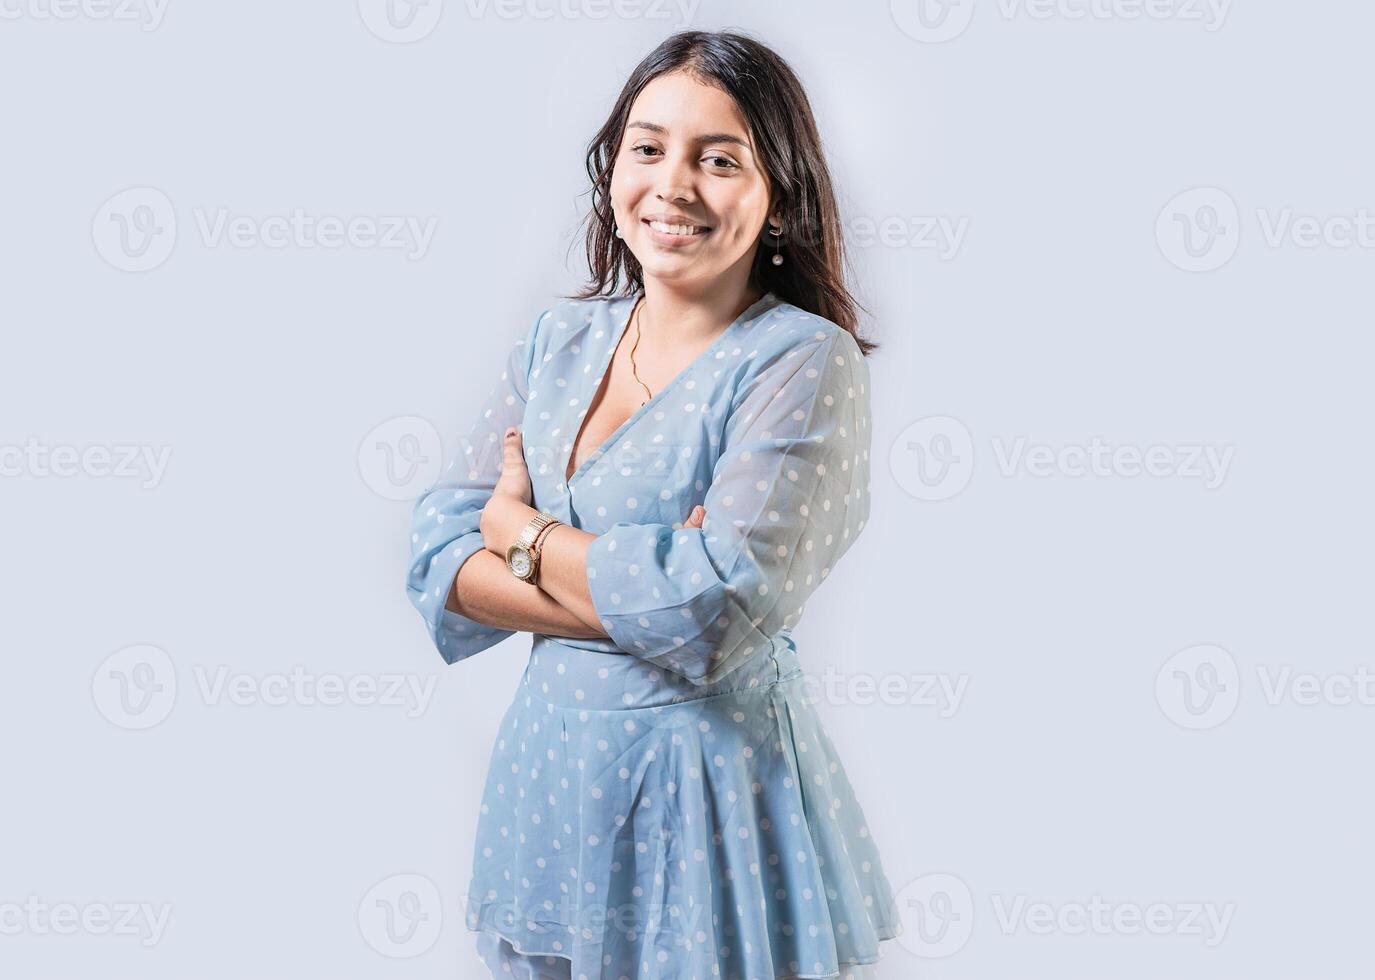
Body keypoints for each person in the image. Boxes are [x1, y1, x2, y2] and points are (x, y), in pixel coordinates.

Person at [405, 29, 901, 980]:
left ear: (778, 197)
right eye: (648, 147)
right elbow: (436, 555)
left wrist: (520, 533)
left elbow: (715, 615)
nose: (672, 184)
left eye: (719, 159)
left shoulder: (798, 361)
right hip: (548, 791)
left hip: (710, 799)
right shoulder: (558, 339)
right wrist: (631, 577)